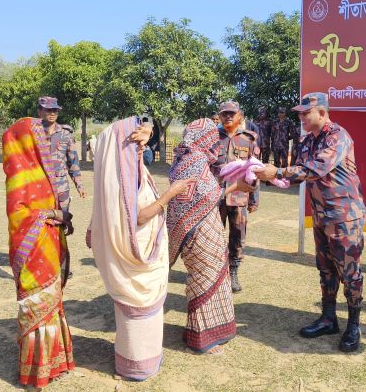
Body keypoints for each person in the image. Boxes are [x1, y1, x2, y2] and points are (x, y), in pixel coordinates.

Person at [256, 92, 366, 353]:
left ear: (323, 113)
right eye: (300, 113)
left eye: (307, 113)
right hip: (320, 214)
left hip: (344, 216)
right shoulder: (306, 141)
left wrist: (279, 171)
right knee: (326, 269)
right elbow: (298, 171)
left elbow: (317, 168)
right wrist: (272, 177)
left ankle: (354, 325)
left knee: (349, 273)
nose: (302, 117)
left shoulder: (337, 136)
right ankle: (329, 318)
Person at [86, 118, 190, 380]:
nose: (142, 149)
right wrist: (170, 194)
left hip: (130, 255)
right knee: (141, 313)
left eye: (144, 144)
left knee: (133, 316)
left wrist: (147, 131)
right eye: (136, 146)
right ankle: (139, 365)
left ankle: (132, 362)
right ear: (124, 149)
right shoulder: (126, 178)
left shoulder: (115, 173)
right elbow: (140, 218)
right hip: (138, 257)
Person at [166, 118, 255, 354]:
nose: (216, 146)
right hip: (198, 232)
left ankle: (211, 330)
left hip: (199, 228)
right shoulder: (194, 160)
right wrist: (236, 187)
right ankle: (203, 338)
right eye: (213, 140)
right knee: (206, 278)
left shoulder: (185, 158)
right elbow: (206, 197)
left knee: (207, 277)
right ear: (204, 139)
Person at [3, 117, 75, 388]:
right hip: (33, 249)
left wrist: (61, 218)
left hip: (49, 243)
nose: (44, 143)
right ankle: (37, 369)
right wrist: (55, 213)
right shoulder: (19, 172)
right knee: (38, 302)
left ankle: (57, 360)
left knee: (52, 301)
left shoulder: (42, 170)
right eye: (38, 138)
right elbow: (18, 214)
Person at [211, 101, 260, 293]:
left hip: (239, 196)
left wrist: (254, 198)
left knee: (238, 235)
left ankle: (233, 272)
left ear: (239, 115)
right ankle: (215, 272)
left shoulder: (248, 139)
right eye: (225, 114)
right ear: (220, 116)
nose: (228, 117)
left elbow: (255, 170)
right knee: (214, 235)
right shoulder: (212, 138)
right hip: (215, 195)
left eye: (232, 113)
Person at [37, 96, 87, 212]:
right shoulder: (33, 134)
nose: (53, 113)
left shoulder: (66, 133)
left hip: (61, 188)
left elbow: (73, 162)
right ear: (39, 112)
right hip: (40, 186)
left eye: (55, 110)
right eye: (48, 110)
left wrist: (80, 186)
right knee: (43, 222)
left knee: (63, 220)